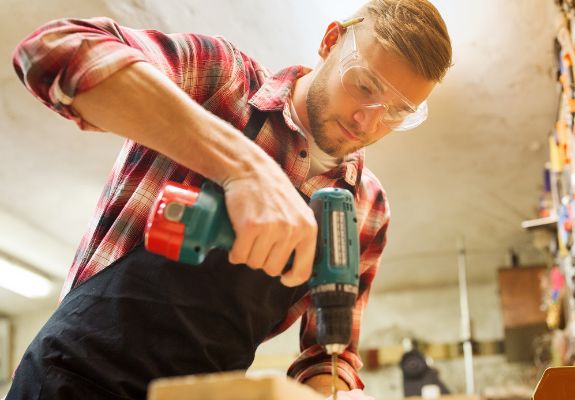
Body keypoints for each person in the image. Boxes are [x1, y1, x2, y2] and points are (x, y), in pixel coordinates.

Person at [7, 0, 452, 398]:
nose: (367, 121)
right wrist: (241, 166)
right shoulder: (222, 81)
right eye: (364, 85)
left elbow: (328, 351)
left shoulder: (365, 206)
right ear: (330, 40)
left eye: (395, 113)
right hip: (75, 378)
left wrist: (336, 391)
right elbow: (52, 49)